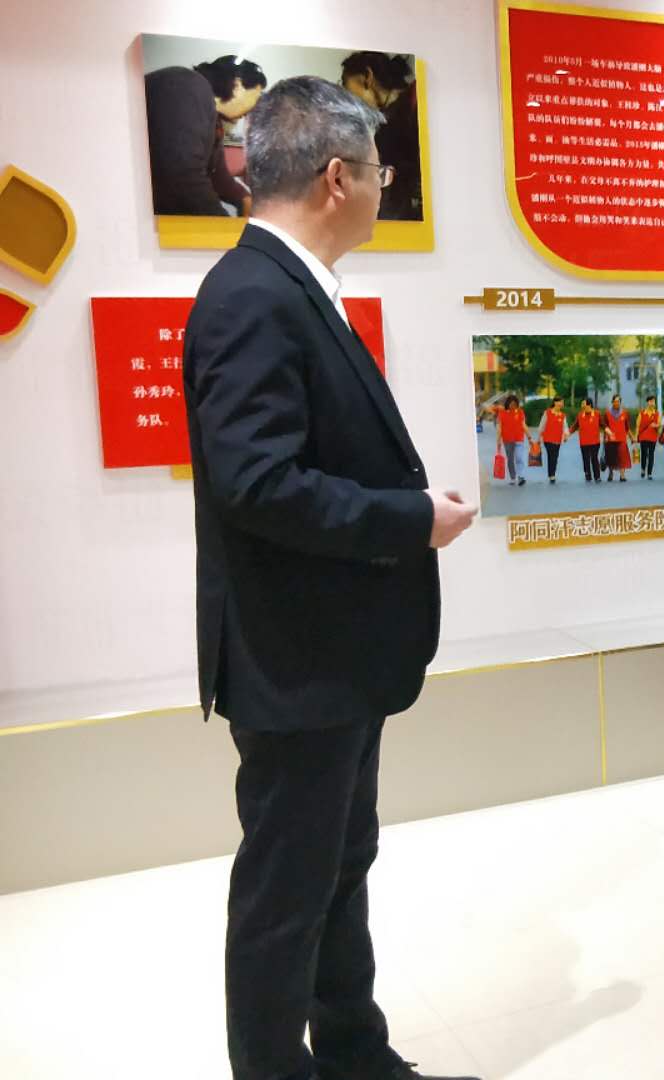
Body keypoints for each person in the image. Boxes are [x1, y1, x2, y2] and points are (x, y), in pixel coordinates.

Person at [181, 75, 479, 1080]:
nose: (386, 189)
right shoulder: (254, 296)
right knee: (287, 893)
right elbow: (256, 483)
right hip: (295, 660)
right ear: (339, 176)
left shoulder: (288, 287)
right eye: (381, 172)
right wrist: (410, 520)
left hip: (330, 655)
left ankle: (355, 1056)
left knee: (338, 868)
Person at [145, 57, 266, 217]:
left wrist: (243, 197)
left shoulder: (213, 120)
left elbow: (218, 177)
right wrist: (222, 224)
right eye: (256, 96)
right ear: (238, 85)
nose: (254, 107)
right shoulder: (186, 85)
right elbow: (183, 176)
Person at [339, 51, 422, 222]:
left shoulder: (418, 99)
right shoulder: (391, 121)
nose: (353, 104)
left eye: (349, 90)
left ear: (368, 77)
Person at [495, 394, 528, 487]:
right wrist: (498, 440)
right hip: (507, 439)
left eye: (515, 404)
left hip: (519, 439)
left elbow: (523, 425)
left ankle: (521, 477)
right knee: (510, 459)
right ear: (508, 403)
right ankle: (513, 477)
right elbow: (499, 428)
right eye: (511, 404)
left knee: (519, 457)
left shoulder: (520, 412)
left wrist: (529, 437)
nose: (513, 406)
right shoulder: (502, 413)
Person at [603, 394, 631, 482]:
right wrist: (605, 437)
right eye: (615, 401)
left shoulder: (625, 413)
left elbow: (627, 427)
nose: (616, 403)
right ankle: (610, 473)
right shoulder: (607, 413)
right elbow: (605, 426)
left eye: (618, 401)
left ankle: (622, 475)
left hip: (622, 438)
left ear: (620, 402)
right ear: (612, 402)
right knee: (611, 457)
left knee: (622, 456)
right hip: (611, 438)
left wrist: (632, 437)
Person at [540, 396, 567, 484]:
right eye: (560, 402)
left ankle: (551, 473)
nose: (561, 404)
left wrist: (566, 435)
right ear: (555, 402)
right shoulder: (547, 412)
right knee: (552, 456)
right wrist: (539, 438)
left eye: (562, 402)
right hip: (547, 439)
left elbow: (565, 427)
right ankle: (552, 475)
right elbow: (542, 425)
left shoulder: (562, 415)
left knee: (554, 457)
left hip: (557, 440)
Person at [574, 398, 602, 483]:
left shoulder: (597, 414)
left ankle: (597, 476)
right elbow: (575, 426)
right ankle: (587, 475)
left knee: (594, 458)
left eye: (583, 404)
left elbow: (603, 424)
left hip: (595, 441)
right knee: (585, 459)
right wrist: (568, 433)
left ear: (589, 405)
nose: (582, 405)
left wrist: (609, 432)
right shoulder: (580, 415)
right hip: (584, 442)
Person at [635, 395, 661, 480]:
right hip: (643, 437)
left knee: (651, 455)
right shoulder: (642, 413)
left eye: (653, 401)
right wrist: (636, 436)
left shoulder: (657, 413)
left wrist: (656, 425)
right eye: (650, 401)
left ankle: (649, 473)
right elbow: (638, 425)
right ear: (647, 402)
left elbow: (659, 424)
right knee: (644, 453)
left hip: (653, 437)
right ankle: (643, 469)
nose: (652, 403)